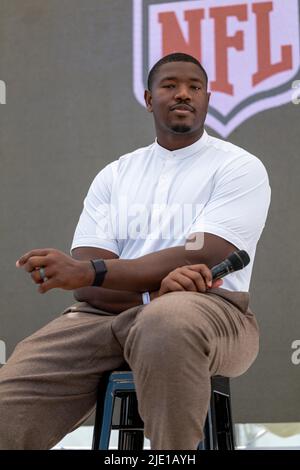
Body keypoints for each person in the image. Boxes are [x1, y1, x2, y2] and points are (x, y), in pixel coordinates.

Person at [0, 52, 271, 450]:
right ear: (148, 99)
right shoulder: (116, 174)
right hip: (104, 316)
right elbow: (88, 289)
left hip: (215, 312)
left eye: (194, 87)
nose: (183, 94)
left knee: (167, 320)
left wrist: (94, 272)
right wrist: (152, 290)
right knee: (16, 390)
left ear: (207, 98)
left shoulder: (238, 167)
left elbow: (204, 255)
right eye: (169, 86)